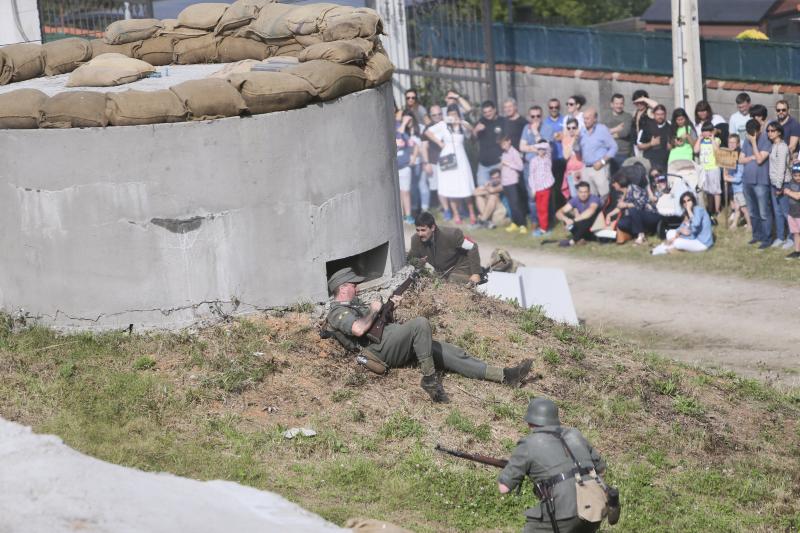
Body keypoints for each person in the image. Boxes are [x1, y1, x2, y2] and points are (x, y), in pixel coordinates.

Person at [325, 267, 534, 403]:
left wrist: (388, 311)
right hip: (379, 352)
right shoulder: (337, 312)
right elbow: (359, 330)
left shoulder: (355, 304)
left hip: (392, 342)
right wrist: (374, 310)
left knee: (450, 352)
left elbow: (377, 327)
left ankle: (505, 376)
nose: (358, 288)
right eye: (354, 285)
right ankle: (429, 378)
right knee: (420, 323)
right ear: (342, 288)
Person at [498, 397, 607, 533]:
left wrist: (511, 470)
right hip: (596, 507)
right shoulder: (575, 434)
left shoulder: (528, 444)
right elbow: (601, 469)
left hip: (565, 511)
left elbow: (504, 488)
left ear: (530, 422)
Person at [425, 104, 476, 225]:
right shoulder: (443, 125)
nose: (452, 116)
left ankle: (472, 213)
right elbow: (427, 132)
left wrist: (459, 121)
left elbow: (471, 130)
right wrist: (439, 142)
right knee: (451, 186)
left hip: (461, 157)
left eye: (454, 114)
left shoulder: (462, 124)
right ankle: (456, 214)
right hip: (447, 157)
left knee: (465, 185)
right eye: (450, 114)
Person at [408, 211, 481, 284]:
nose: (420, 234)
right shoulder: (415, 240)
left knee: (453, 280)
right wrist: (419, 262)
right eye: (417, 230)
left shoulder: (452, 235)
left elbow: (472, 247)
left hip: (461, 267)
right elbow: (412, 259)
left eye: (423, 230)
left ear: (433, 227)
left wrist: (475, 273)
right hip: (441, 273)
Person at [740, 115, 773, 249]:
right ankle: (757, 235)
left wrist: (754, 144)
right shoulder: (745, 141)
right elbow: (740, 159)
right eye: (749, 133)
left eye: (753, 133)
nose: (751, 135)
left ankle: (767, 238)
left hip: (761, 181)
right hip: (747, 181)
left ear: (759, 130)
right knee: (753, 211)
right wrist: (753, 156)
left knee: (764, 212)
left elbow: (760, 160)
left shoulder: (766, 140)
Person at [574, 107, 617, 199]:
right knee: (590, 198)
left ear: (595, 119)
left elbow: (614, 147)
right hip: (586, 168)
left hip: (600, 168)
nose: (585, 121)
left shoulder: (602, 129)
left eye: (588, 118)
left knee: (604, 195)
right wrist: (576, 141)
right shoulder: (581, 131)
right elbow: (577, 151)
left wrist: (602, 162)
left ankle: (606, 213)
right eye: (584, 118)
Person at [607, 174, 660, 245]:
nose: (613, 185)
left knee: (632, 210)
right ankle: (636, 234)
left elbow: (642, 203)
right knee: (621, 223)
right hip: (638, 217)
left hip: (651, 215)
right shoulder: (623, 193)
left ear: (619, 183)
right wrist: (609, 215)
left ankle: (641, 236)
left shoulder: (634, 188)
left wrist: (626, 205)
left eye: (614, 183)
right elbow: (620, 207)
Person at [767, 121, 791, 248]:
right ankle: (781, 236)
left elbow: (782, 167)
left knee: (787, 212)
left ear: (779, 132)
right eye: (768, 131)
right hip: (773, 183)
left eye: (772, 131)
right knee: (777, 212)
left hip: (783, 184)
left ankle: (792, 237)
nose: (770, 133)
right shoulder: (773, 145)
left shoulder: (782, 147)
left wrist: (779, 186)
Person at [556, 181, 601, 247]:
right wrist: (566, 219)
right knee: (567, 220)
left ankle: (573, 241)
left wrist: (574, 220)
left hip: (594, 226)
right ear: (577, 192)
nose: (583, 194)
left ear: (589, 192)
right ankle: (581, 238)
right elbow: (558, 212)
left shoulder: (594, 198)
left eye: (585, 192)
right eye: (581, 192)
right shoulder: (575, 199)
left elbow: (590, 211)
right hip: (582, 226)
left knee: (586, 219)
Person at [499, 135, 528, 233]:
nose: (503, 146)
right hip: (505, 182)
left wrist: (508, 164)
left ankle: (523, 224)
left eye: (504, 144)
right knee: (511, 204)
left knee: (516, 204)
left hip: (513, 182)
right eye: (501, 145)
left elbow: (520, 167)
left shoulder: (514, 152)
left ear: (509, 141)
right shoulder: (504, 153)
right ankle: (515, 223)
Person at [473, 100, 505, 186]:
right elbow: (472, 140)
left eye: (490, 111)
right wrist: (476, 130)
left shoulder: (503, 121)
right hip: (483, 165)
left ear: (494, 110)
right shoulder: (481, 121)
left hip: (498, 163)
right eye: (485, 112)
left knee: (498, 192)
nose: (488, 114)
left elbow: (508, 140)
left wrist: (504, 159)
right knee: (482, 189)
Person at [396, 111, 419, 224]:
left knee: (405, 192)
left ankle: (408, 215)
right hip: (395, 167)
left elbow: (415, 146)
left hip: (405, 167)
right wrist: (403, 123)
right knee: (398, 193)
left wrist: (413, 158)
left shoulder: (406, 134)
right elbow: (397, 134)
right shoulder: (397, 128)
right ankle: (400, 216)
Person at [723, 134, 751, 230]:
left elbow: (739, 177)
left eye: (733, 142)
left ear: (738, 143)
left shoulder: (739, 156)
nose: (731, 144)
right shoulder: (730, 155)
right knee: (737, 208)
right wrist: (727, 173)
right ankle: (734, 224)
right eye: (729, 142)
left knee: (743, 208)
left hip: (740, 188)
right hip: (735, 188)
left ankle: (750, 225)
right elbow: (731, 171)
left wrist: (728, 178)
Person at [528, 141, 556, 236]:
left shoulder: (547, 158)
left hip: (546, 187)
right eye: (539, 149)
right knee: (539, 208)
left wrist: (537, 145)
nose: (541, 151)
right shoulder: (534, 160)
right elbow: (531, 175)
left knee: (544, 208)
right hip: (537, 188)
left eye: (542, 149)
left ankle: (544, 228)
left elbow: (547, 146)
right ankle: (542, 226)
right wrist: (533, 189)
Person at [694, 122, 721, 216]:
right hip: (704, 169)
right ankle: (710, 209)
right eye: (704, 131)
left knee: (716, 190)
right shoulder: (701, 141)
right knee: (708, 191)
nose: (705, 133)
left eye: (708, 131)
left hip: (714, 167)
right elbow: (696, 150)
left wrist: (712, 139)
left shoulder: (717, 140)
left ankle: (717, 210)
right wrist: (699, 139)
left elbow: (717, 151)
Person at [602, 93, 633, 173]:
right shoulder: (606, 117)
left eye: (621, 103)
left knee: (624, 179)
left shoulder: (627, 116)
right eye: (616, 103)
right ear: (611, 104)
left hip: (623, 153)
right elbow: (601, 133)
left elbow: (625, 132)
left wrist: (608, 134)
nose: (619, 106)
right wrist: (616, 129)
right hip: (608, 153)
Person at [637, 104, 670, 177]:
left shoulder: (670, 126)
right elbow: (639, 146)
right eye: (658, 114)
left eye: (662, 114)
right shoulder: (646, 127)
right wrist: (651, 144)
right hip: (650, 163)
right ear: (653, 114)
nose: (660, 116)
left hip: (666, 164)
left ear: (665, 114)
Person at [561, 117, 584, 200]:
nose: (571, 130)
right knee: (574, 195)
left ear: (577, 128)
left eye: (574, 128)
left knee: (583, 195)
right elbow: (566, 156)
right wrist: (574, 139)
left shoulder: (583, 138)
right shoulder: (565, 140)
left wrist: (578, 138)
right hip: (571, 171)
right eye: (569, 128)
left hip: (581, 169)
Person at [782, 160, 800, 259]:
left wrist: (788, 192)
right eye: (795, 175)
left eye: (799, 175)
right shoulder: (791, 181)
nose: (797, 177)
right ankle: (797, 252)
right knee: (796, 233)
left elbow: (798, 196)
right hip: (792, 213)